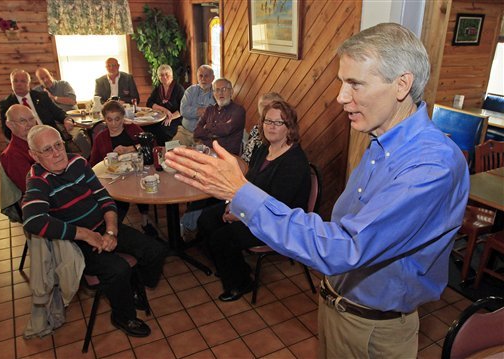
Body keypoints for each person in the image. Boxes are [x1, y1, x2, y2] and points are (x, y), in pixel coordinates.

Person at [165, 23, 470, 358]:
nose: (341, 97)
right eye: (342, 83)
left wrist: (240, 192)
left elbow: (346, 248)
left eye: (355, 84)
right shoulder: (381, 142)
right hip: (338, 307)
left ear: (402, 85)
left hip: (371, 327)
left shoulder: (430, 165)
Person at [22, 124, 166, 338]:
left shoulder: (78, 163)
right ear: (34, 155)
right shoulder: (38, 180)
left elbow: (104, 198)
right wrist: (86, 235)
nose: (57, 153)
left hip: (103, 226)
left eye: (58, 145)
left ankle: (133, 288)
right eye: (47, 150)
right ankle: (122, 316)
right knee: (118, 269)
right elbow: (33, 220)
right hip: (77, 241)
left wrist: (111, 231)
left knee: (155, 250)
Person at [198, 100, 310, 301]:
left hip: (278, 222)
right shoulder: (263, 149)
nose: (271, 126)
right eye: (267, 121)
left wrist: (239, 215)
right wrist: (232, 204)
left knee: (222, 238)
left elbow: (276, 206)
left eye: (278, 123)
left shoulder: (294, 161)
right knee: (206, 218)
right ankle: (235, 267)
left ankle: (241, 284)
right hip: (254, 209)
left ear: (290, 127)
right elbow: (249, 183)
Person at [89, 101, 158, 236]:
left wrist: (130, 148)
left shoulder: (132, 129)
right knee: (119, 202)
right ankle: (114, 229)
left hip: (136, 172)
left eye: (117, 119)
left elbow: (151, 144)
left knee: (140, 188)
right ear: (104, 120)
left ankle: (145, 221)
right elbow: (93, 162)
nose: (114, 124)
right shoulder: (100, 138)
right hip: (113, 179)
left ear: (123, 117)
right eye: (109, 120)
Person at [0, 69, 91, 158]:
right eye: (15, 81)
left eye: (23, 81)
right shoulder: (6, 104)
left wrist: (67, 119)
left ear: (28, 83)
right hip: (27, 142)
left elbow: (57, 112)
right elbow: (7, 131)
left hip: (50, 136)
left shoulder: (41, 96)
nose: (19, 84)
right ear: (11, 83)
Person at [194, 78, 246, 155]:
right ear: (213, 94)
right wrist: (215, 132)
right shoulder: (209, 110)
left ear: (231, 92)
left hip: (227, 156)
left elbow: (225, 130)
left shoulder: (238, 110)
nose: (220, 93)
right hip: (207, 153)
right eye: (217, 90)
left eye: (224, 89)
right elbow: (197, 132)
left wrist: (207, 127)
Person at [173, 65, 216, 146]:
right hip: (185, 132)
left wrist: (194, 111)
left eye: (206, 76)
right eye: (200, 76)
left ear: (213, 78)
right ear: (197, 77)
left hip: (206, 136)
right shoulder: (190, 90)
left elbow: (216, 115)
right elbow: (183, 111)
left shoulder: (217, 93)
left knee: (200, 156)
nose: (203, 79)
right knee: (170, 151)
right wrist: (201, 111)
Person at [0, 104, 37, 193]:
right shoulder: (12, 155)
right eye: (22, 121)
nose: (30, 124)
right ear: (10, 125)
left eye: (31, 119)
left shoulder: (37, 142)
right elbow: (31, 188)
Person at [145, 64, 185, 145]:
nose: (164, 77)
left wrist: (171, 117)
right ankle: (153, 151)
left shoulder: (179, 89)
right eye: (161, 75)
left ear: (172, 75)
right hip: (160, 117)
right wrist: (164, 110)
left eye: (167, 74)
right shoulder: (158, 88)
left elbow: (183, 109)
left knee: (162, 130)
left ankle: (163, 152)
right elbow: (149, 103)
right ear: (159, 77)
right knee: (146, 128)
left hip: (175, 119)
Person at [241, 92, 284, 162]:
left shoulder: (279, 131)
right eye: (262, 106)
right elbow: (247, 151)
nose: (265, 110)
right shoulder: (256, 128)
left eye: (268, 107)